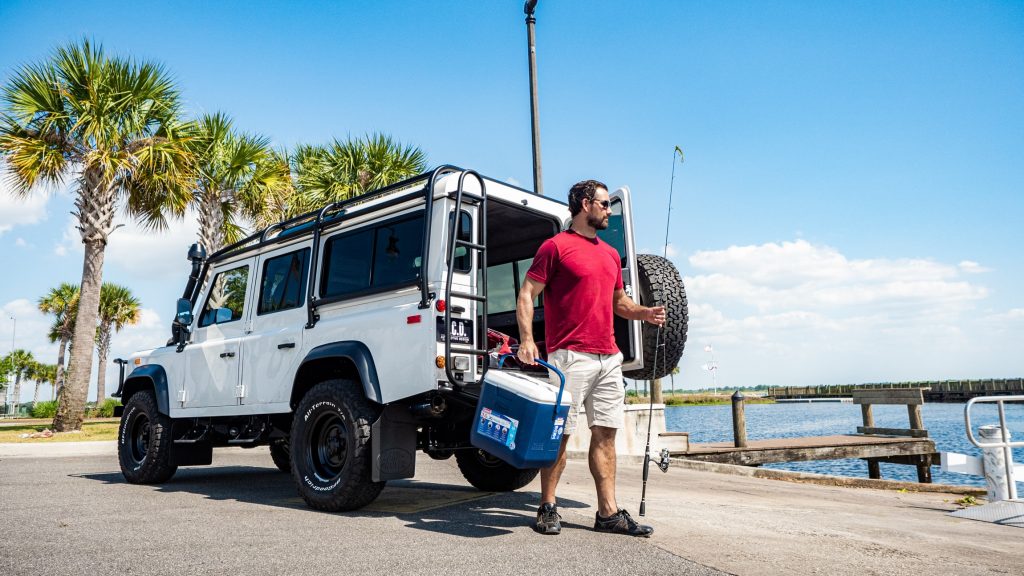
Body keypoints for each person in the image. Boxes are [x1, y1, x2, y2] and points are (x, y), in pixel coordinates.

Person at [516, 179, 666, 537]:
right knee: (559, 435)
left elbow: (619, 302)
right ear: (585, 204)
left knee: (606, 435)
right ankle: (547, 507)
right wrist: (527, 340)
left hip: (609, 358)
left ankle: (608, 513)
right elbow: (526, 293)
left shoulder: (611, 254)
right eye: (604, 204)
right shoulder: (555, 247)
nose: (609, 210)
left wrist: (644, 312)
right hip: (570, 357)